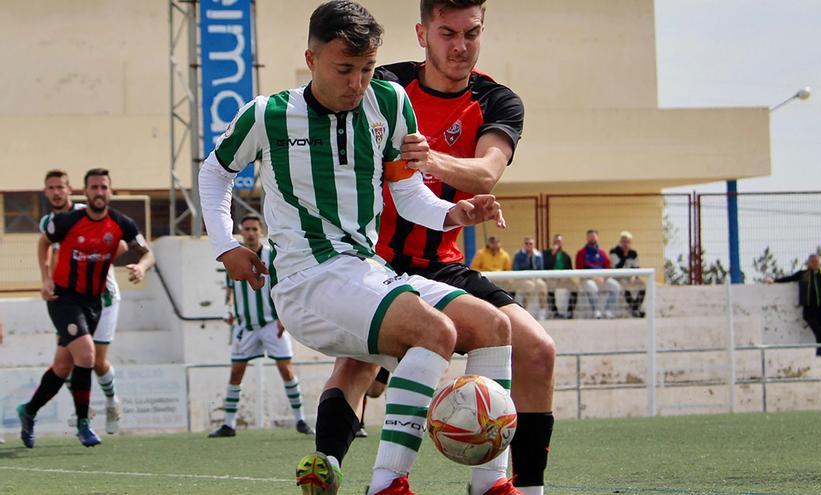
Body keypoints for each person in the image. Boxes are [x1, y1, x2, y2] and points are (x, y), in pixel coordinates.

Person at [198, 3, 512, 495]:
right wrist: (225, 245)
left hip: (365, 268)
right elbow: (215, 172)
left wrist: (455, 213)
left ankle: (490, 485)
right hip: (305, 277)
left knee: (494, 326)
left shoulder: (388, 101)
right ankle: (388, 484)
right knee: (434, 332)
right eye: (344, 69)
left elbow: (407, 193)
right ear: (312, 57)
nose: (357, 82)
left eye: (367, 69)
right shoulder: (269, 113)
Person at [317, 1, 557, 493]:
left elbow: (487, 171)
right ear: (422, 33)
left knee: (537, 349)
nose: (460, 46)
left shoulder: (497, 100)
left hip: (442, 263)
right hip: (374, 258)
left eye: (471, 33)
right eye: (447, 33)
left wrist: (429, 159)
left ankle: (523, 487)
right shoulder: (382, 84)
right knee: (360, 362)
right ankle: (324, 468)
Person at [18, 168, 152, 448]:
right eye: (94, 187)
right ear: (85, 191)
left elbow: (145, 251)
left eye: (104, 187)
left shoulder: (120, 223)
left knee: (64, 365)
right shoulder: (65, 221)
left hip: (96, 301)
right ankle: (84, 423)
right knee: (88, 355)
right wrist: (45, 280)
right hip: (64, 299)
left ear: (110, 191)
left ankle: (28, 411)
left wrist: (140, 266)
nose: (99, 192)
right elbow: (44, 242)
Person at [39, 169, 132, 435]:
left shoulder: (87, 211)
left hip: (103, 297)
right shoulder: (47, 222)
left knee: (97, 362)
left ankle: (112, 402)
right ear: (46, 192)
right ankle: (84, 411)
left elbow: (122, 244)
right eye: (51, 188)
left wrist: (96, 259)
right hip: (68, 300)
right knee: (66, 360)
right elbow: (50, 252)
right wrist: (47, 281)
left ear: (71, 190)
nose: (56, 192)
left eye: (61, 187)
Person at [208, 213, 315, 438]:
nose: (250, 233)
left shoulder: (272, 256)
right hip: (245, 325)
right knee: (236, 372)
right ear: (241, 231)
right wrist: (227, 308)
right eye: (246, 229)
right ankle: (228, 424)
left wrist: (284, 317)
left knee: (286, 370)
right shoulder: (233, 256)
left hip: (270, 324)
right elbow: (230, 290)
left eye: (254, 229)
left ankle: (301, 420)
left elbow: (285, 286)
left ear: (261, 232)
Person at [769, 254, 821, 356]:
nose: (814, 264)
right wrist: (774, 280)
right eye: (812, 262)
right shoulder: (803, 274)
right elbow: (789, 278)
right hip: (809, 306)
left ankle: (820, 350)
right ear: (808, 263)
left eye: (816, 262)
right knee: (813, 324)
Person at [575, 229, 621, 319]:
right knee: (592, 287)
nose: (592, 238)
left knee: (616, 286)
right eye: (590, 236)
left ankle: (608, 310)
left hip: (602, 279)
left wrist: (603, 277)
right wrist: (593, 277)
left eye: (594, 236)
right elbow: (579, 269)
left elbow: (608, 267)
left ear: (597, 237)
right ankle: (597, 311)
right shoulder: (581, 253)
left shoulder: (602, 253)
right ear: (587, 238)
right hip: (587, 279)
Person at [609, 231, 645, 318]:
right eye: (623, 241)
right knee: (624, 284)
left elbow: (636, 267)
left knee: (642, 285)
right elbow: (616, 267)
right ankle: (635, 309)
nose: (625, 243)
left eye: (627, 241)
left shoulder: (633, 253)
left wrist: (635, 276)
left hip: (630, 277)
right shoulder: (614, 251)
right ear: (620, 242)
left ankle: (635, 307)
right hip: (618, 277)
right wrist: (624, 255)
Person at [542, 234, 577, 319]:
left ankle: (570, 311)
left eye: (559, 242)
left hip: (564, 279)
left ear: (562, 244)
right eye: (555, 242)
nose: (557, 244)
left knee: (575, 287)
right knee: (550, 288)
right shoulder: (546, 254)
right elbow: (546, 266)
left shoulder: (566, 256)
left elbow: (570, 270)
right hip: (551, 278)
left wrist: (565, 277)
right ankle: (555, 311)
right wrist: (553, 254)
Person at [512, 237, 548, 317]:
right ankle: (525, 311)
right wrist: (527, 257)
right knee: (529, 286)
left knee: (542, 286)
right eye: (526, 243)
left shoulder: (538, 255)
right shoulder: (518, 255)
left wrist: (533, 258)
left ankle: (542, 312)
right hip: (522, 278)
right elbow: (516, 268)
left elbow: (540, 269)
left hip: (535, 278)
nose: (528, 245)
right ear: (523, 245)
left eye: (531, 244)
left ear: (534, 245)